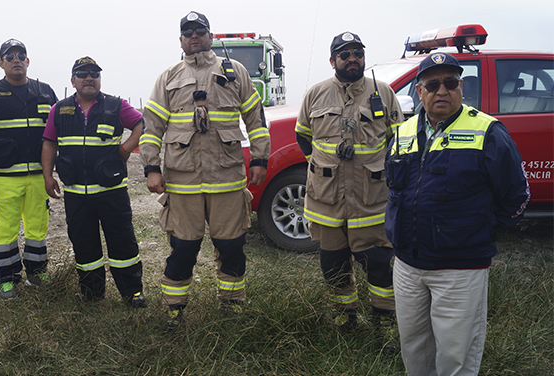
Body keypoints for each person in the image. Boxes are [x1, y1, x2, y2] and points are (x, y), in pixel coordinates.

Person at [386, 52, 530, 375]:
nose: (442, 91)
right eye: (432, 84)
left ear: (461, 88)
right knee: (414, 351)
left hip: (460, 270)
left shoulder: (488, 131)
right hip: (408, 267)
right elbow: (394, 190)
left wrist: (483, 230)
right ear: (419, 92)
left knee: (455, 358)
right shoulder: (402, 133)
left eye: (450, 83)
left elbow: (517, 195)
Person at [139, 11, 270, 330]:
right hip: (183, 183)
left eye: (200, 31)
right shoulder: (168, 77)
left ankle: (232, 305)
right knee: (183, 249)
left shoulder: (235, 71)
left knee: (231, 247)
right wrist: (151, 168)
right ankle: (174, 310)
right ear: (181, 40)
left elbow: (256, 118)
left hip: (227, 179)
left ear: (211, 36)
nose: (194, 36)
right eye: (188, 33)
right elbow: (151, 127)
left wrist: (259, 159)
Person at [295, 31, 403, 351]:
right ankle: (345, 316)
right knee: (333, 264)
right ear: (333, 61)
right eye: (345, 54)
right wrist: (321, 166)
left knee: (379, 264)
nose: (352, 58)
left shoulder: (383, 92)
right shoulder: (315, 94)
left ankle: (385, 324)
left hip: (371, 200)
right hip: (327, 200)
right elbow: (303, 135)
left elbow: (398, 139)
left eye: (357, 52)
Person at [41, 56, 146, 307]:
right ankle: (91, 292)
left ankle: (132, 292)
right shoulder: (59, 109)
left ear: (100, 79)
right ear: (73, 80)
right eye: (83, 73)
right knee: (84, 244)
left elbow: (142, 123)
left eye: (95, 74)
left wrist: (127, 148)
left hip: (112, 192)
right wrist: (47, 176)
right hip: (76, 193)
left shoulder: (116, 105)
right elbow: (49, 142)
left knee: (122, 242)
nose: (89, 77)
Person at [0, 38, 58, 300]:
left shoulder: (45, 92)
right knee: (4, 230)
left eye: (21, 55)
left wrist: (51, 172)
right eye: (9, 57)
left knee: (37, 228)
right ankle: (7, 278)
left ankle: (37, 272)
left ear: (28, 61)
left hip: (37, 178)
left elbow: (54, 135)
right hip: (4, 177)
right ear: (1, 64)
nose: (16, 59)